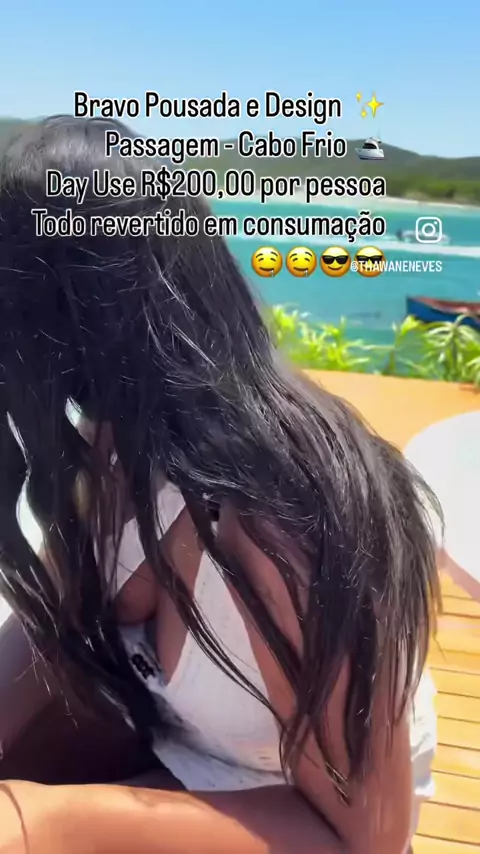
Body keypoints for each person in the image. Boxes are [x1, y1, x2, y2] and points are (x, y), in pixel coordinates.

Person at [0, 116, 440, 853]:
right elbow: (58, 620)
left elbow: (366, 840)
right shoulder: (117, 434)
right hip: (168, 742)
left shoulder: (287, 517)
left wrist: (38, 822)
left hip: (297, 809)